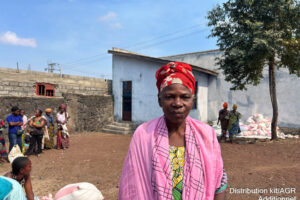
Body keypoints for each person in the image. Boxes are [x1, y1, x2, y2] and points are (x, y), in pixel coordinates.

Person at [119, 62, 227, 200]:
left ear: (192, 100)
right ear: (160, 100)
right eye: (170, 97)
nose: (177, 103)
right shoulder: (144, 134)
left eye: (184, 97)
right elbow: (132, 185)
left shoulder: (206, 134)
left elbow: (219, 179)